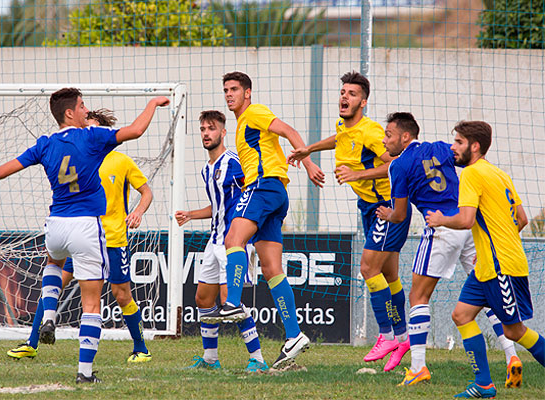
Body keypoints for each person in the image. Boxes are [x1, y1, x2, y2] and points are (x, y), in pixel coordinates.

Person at [0, 89, 169, 383]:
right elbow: (137, 129)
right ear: (70, 113)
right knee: (92, 304)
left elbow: (4, 170)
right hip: (86, 227)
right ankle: (85, 373)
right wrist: (153, 103)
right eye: (81, 105)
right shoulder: (92, 137)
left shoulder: (45, 144)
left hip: (55, 225)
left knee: (53, 266)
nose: (85, 109)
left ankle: (49, 315)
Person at [377, 112, 522, 387]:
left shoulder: (398, 166)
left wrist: (387, 214)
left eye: (388, 135)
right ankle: (511, 356)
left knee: (418, 296)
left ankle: (418, 366)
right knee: (489, 294)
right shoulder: (442, 148)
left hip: (442, 227)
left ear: (405, 137)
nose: (385, 141)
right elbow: (461, 162)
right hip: (468, 226)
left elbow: (399, 214)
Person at [7, 109, 154, 364]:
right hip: (82, 237)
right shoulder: (79, 157)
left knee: (122, 295)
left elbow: (146, 192)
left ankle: (140, 348)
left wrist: (138, 212)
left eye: (91, 128)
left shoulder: (121, 162)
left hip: (111, 240)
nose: (86, 132)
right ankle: (32, 343)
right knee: (54, 285)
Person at [200, 71, 325, 370]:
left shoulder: (254, 112)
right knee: (272, 269)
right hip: (275, 192)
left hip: (264, 186)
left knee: (233, 239)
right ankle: (294, 335)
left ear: (248, 93)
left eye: (234, 89)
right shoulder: (244, 123)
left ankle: (232, 302)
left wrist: (308, 163)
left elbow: (289, 131)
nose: (229, 94)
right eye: (226, 89)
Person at [288, 72, 411, 371]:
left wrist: (357, 175)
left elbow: (396, 165)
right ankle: (403, 336)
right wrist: (309, 150)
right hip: (369, 206)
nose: (345, 97)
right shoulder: (345, 125)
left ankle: (385, 334)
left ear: (363, 102)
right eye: (343, 91)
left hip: (387, 206)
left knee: (368, 268)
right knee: (390, 275)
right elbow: (341, 138)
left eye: (352, 93)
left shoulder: (370, 132)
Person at [426, 121, 544, 398]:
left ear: (474, 146)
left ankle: (484, 383)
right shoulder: (499, 174)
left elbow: (466, 220)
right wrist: (492, 245)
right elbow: (522, 219)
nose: (453, 148)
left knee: (514, 331)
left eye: (458, 142)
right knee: (461, 315)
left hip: (501, 265)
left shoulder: (472, 174)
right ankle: (483, 384)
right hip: (487, 265)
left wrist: (442, 219)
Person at [175, 110, 268, 372]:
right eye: (203, 129)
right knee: (203, 299)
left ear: (223, 132)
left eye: (212, 129)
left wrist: (251, 232)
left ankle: (258, 359)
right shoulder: (208, 168)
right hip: (213, 241)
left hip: (234, 243)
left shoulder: (234, 163)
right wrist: (191, 215)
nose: (206, 133)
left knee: (231, 301)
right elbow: (218, 206)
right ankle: (210, 358)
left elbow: (251, 195)